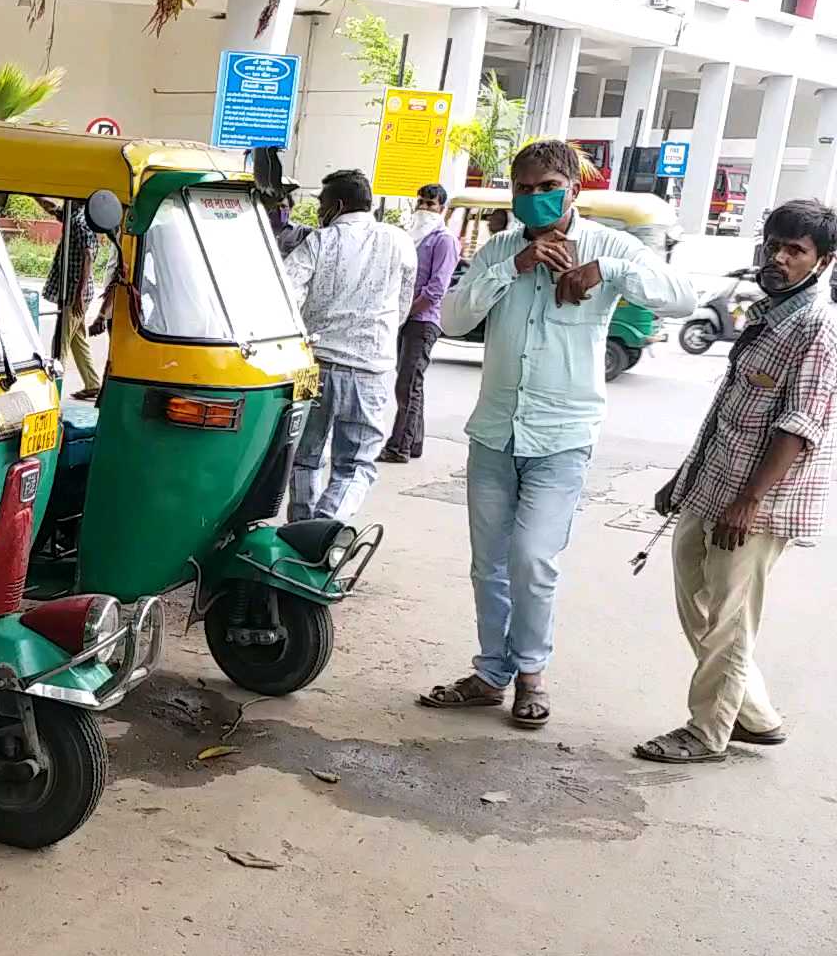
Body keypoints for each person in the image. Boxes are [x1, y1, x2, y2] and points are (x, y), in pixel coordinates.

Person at [418, 140, 693, 728]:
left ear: (572, 189)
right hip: (494, 432)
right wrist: (507, 269)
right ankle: (492, 673)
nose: (536, 197)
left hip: (562, 436)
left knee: (533, 558)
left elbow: (681, 298)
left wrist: (607, 271)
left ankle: (532, 674)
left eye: (548, 187)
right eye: (524, 188)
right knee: (487, 563)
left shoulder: (609, 244)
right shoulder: (497, 248)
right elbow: (454, 318)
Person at [633, 200, 837, 764]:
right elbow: (728, 409)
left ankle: (707, 731)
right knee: (695, 596)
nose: (778, 257)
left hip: (759, 502)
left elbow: (801, 425)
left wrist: (750, 501)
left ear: (822, 262)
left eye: (795, 250)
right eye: (773, 243)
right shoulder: (771, 311)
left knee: (727, 614)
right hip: (713, 484)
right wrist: (683, 478)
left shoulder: (817, 328)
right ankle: (755, 716)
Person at [283, 168, 418, 523]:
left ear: (338, 205)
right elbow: (403, 306)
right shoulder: (400, 242)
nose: (319, 212)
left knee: (304, 456)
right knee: (356, 464)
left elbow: (286, 294)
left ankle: (301, 528)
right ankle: (325, 530)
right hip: (370, 370)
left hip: (312, 368)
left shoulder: (320, 241)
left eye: (322, 204)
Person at [381, 183, 460, 463]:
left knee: (407, 384)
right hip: (407, 318)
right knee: (411, 382)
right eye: (422, 203)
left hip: (422, 320)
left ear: (442, 209)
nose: (425, 208)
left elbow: (436, 288)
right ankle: (412, 442)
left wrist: (406, 312)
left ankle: (398, 446)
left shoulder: (444, 240)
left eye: (431, 204)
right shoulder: (415, 237)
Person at [41, 200, 103, 400]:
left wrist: (78, 295)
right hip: (77, 293)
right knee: (78, 339)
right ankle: (92, 383)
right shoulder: (75, 216)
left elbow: (88, 257)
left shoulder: (81, 222)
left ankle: (53, 391)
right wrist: (31, 192)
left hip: (75, 294)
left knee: (61, 343)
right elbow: (52, 208)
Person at [268, 185, 313, 258]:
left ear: (290, 210)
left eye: (283, 207)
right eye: (275, 207)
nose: (279, 210)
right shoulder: (260, 231)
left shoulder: (300, 231)